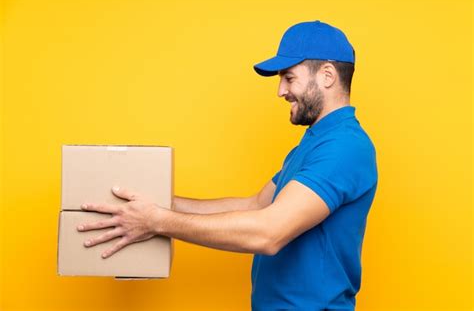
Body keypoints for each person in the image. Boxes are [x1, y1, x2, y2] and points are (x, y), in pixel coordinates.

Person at [77, 20, 378, 310]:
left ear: (327, 75)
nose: (281, 91)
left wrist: (156, 221)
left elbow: (268, 232)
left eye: (289, 77)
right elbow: (256, 206)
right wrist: (157, 204)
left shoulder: (344, 147)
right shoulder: (316, 142)